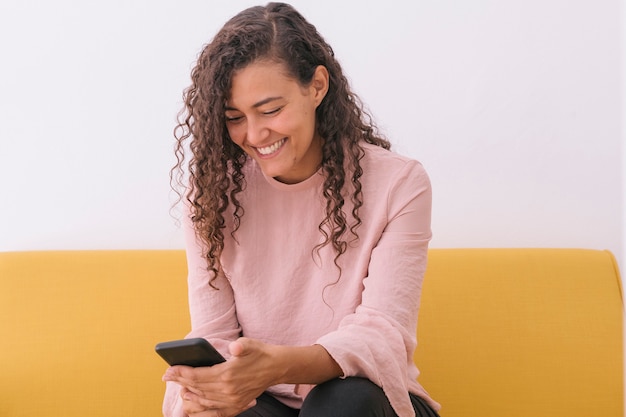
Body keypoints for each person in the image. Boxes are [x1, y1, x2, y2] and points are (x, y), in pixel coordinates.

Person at [163, 3, 440, 417]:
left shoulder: (398, 184)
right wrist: (203, 390)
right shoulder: (211, 197)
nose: (255, 135)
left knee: (343, 400)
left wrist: (281, 363)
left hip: (364, 403)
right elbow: (215, 335)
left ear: (317, 86)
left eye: (271, 110)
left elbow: (381, 336)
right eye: (234, 117)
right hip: (267, 403)